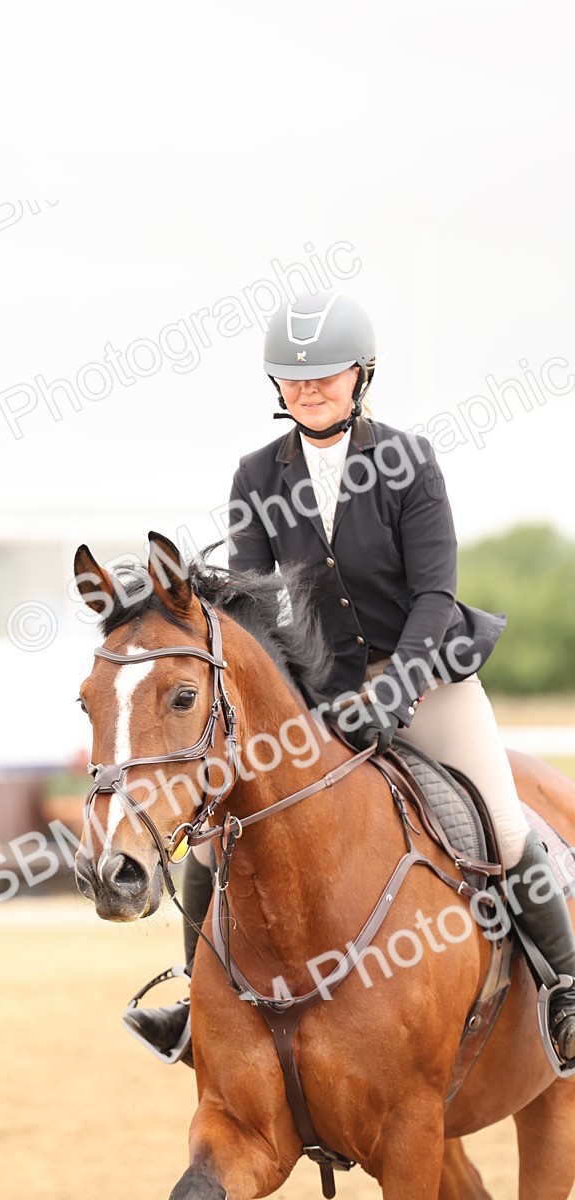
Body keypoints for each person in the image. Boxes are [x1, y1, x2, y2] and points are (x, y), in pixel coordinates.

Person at [127, 288, 575, 1068]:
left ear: (361, 375)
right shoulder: (255, 476)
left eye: (325, 376)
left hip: (426, 674)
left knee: (503, 825)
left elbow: (435, 594)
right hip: (318, 692)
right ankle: (200, 1004)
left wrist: (396, 689)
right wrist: (304, 701)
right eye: (294, 380)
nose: (309, 391)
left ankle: (567, 985)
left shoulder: (408, 462)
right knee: (211, 842)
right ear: (276, 388)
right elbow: (257, 611)